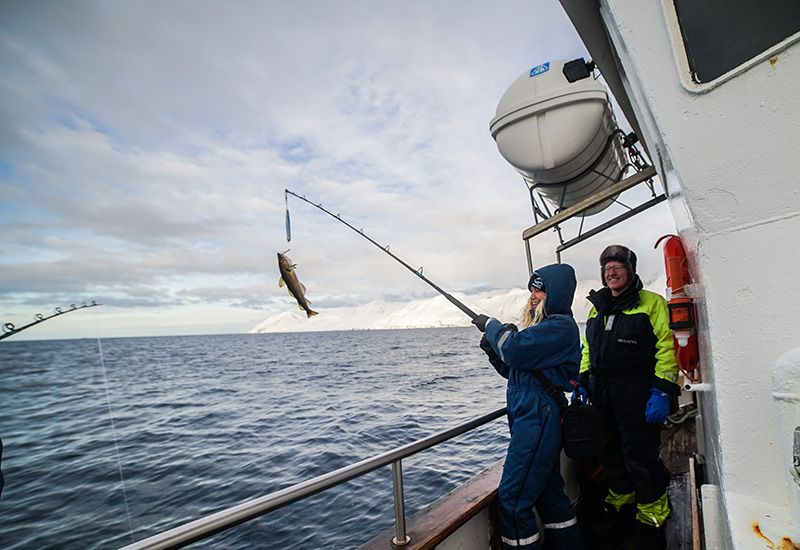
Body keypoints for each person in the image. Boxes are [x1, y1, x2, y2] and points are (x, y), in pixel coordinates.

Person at [472, 263, 585, 550]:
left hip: (537, 417)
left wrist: (492, 326)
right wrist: (493, 351)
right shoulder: (543, 329)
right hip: (532, 415)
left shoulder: (560, 327)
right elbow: (516, 370)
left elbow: (514, 349)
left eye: (540, 290)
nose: (533, 295)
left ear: (556, 293)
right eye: (532, 290)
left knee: (512, 502)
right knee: (550, 496)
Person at [578, 245, 679, 550]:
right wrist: (583, 379)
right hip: (602, 392)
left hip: (636, 392)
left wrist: (662, 389)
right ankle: (621, 497)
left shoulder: (651, 304)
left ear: (630, 270)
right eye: (607, 268)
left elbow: (667, 346)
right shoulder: (597, 308)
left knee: (640, 453)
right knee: (610, 448)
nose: (611, 272)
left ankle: (652, 512)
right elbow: (588, 348)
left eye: (618, 267)